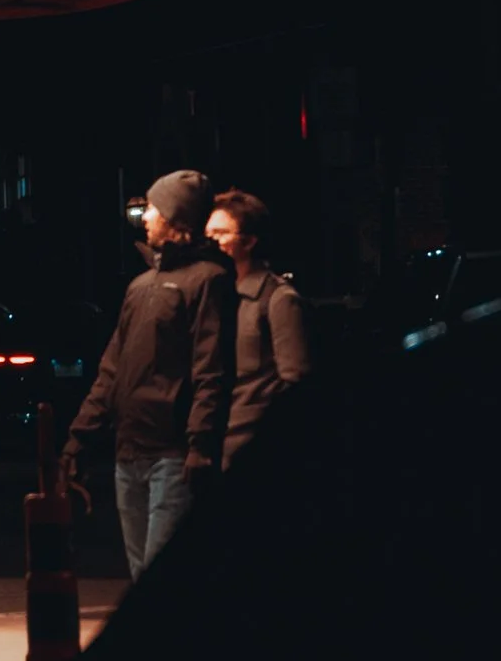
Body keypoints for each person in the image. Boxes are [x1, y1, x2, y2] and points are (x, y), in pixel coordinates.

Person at [61, 168, 232, 579]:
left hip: (172, 455)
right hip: (129, 451)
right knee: (141, 571)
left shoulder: (207, 281)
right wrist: (77, 442)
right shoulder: (141, 287)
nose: (146, 218)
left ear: (178, 220)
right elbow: (111, 371)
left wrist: (199, 444)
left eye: (154, 210)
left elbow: (210, 369)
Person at [206, 188, 312, 462]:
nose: (211, 243)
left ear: (249, 241)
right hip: (211, 444)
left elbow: (295, 381)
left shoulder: (278, 299)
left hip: (251, 448)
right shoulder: (213, 296)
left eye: (220, 234)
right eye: (208, 235)